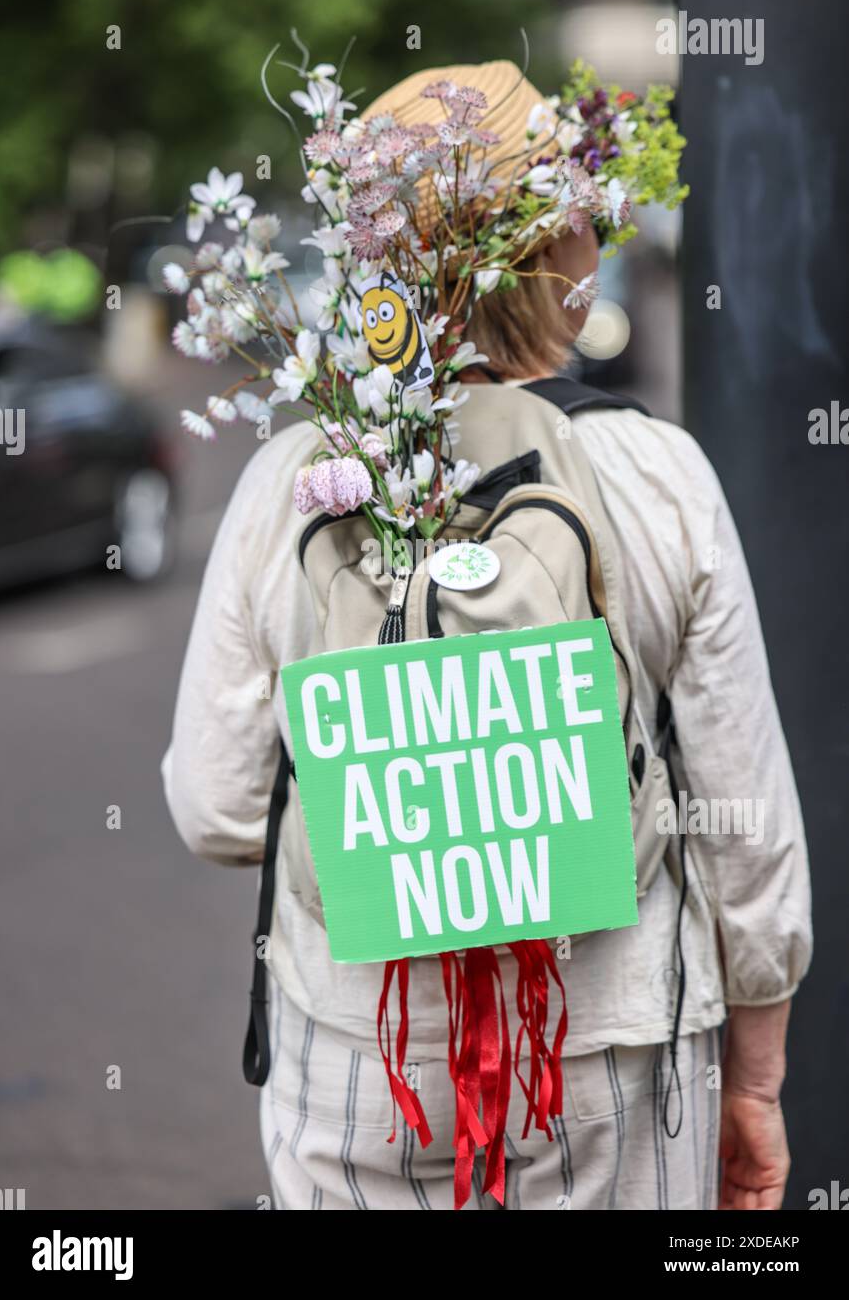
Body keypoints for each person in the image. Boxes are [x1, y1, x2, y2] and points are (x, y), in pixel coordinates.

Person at [162, 62, 813, 1211]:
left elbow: (216, 807)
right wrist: (754, 1083)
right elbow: (745, 827)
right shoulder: (656, 473)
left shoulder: (289, 484)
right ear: (553, 255)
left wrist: (410, 802)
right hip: (614, 1052)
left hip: (359, 1056)